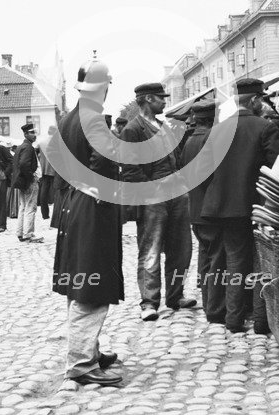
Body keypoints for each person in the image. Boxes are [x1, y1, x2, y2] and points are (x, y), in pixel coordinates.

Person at [49, 55, 123, 386]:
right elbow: (104, 165)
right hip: (91, 209)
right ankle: (81, 364)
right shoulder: (94, 118)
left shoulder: (68, 117)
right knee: (91, 287)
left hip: (72, 206)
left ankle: (88, 351)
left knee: (80, 283)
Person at [198, 78, 279, 333]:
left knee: (229, 259)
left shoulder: (218, 129)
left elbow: (202, 171)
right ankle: (248, 319)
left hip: (220, 206)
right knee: (251, 261)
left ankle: (233, 315)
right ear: (255, 100)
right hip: (253, 205)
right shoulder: (265, 127)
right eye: (263, 99)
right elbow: (277, 169)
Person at [120, 82, 195, 321]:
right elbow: (130, 170)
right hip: (153, 199)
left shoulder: (164, 126)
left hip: (177, 195)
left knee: (181, 249)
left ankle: (176, 296)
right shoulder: (133, 130)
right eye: (161, 98)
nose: (165, 101)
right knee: (150, 250)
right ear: (149, 99)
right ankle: (149, 302)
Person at [179, 100, 217, 322]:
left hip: (196, 208)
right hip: (210, 208)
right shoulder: (211, 139)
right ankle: (214, 307)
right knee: (216, 258)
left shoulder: (190, 140)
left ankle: (208, 303)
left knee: (205, 256)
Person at [12, 123, 42, 243]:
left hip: (22, 181)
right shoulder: (28, 147)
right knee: (30, 207)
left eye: (35, 132)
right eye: (32, 132)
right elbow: (24, 164)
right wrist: (32, 176)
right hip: (28, 181)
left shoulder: (20, 147)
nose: (34, 135)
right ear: (25, 134)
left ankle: (20, 233)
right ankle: (28, 234)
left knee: (23, 207)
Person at [35, 126, 57, 220]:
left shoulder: (41, 143)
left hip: (44, 170)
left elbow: (35, 154)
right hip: (56, 171)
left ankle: (45, 214)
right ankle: (57, 215)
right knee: (57, 192)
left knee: (43, 192)